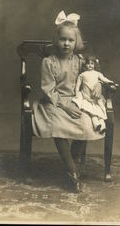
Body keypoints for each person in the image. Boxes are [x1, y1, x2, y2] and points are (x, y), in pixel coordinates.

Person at [32, 10, 104, 193]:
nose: (66, 43)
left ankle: (70, 162)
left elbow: (90, 78)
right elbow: (48, 89)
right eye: (63, 39)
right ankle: (72, 171)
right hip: (54, 101)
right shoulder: (49, 62)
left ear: (76, 42)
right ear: (57, 40)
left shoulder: (80, 61)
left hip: (76, 100)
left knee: (86, 122)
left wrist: (98, 86)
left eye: (70, 40)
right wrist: (64, 106)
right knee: (57, 124)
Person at [72, 56, 114, 134]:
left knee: (99, 112)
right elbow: (77, 85)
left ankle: (103, 127)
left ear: (95, 64)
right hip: (86, 97)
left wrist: (110, 82)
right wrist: (77, 93)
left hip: (96, 98)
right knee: (92, 113)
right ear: (85, 65)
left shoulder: (97, 74)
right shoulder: (82, 75)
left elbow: (104, 79)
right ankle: (96, 125)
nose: (90, 65)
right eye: (88, 64)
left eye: (92, 63)